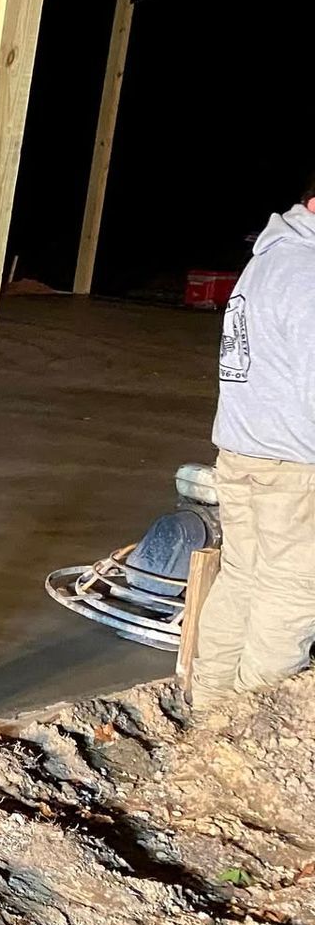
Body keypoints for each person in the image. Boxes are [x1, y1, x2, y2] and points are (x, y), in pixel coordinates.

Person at [190, 174, 315, 711]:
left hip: (242, 453)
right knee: (291, 594)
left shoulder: (268, 260)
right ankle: (247, 726)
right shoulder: (309, 273)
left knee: (242, 578)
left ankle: (210, 708)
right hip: (294, 464)